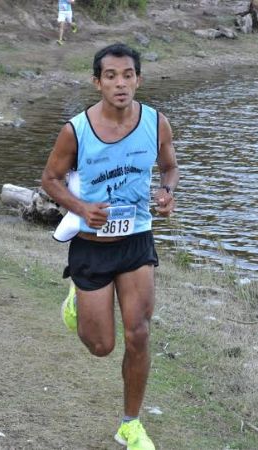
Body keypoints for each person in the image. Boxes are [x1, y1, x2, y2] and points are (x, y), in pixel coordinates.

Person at [41, 43, 179, 450]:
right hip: (91, 246)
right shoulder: (76, 130)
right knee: (101, 346)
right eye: (111, 76)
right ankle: (75, 300)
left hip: (137, 240)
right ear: (97, 82)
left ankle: (130, 424)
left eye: (128, 75)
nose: (121, 84)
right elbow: (50, 180)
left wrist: (167, 191)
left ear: (138, 78)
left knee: (139, 332)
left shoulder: (156, 123)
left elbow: (170, 166)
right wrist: (82, 207)